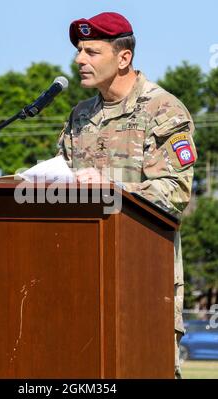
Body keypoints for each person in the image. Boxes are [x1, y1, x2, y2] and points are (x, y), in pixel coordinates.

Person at [57, 11, 197, 378]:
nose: (79, 60)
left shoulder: (161, 110)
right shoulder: (80, 116)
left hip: (144, 280)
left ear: (124, 57)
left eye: (91, 51)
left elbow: (175, 191)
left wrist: (112, 188)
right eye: (78, 51)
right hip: (81, 278)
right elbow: (63, 177)